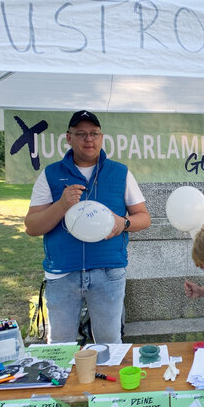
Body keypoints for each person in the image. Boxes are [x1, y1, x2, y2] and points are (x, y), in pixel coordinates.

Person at [24, 110, 151, 344]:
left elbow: (144, 217)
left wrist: (124, 223)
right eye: (80, 133)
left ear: (102, 137)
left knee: (110, 344)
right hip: (62, 273)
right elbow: (31, 226)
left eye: (94, 133)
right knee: (61, 346)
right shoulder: (51, 174)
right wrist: (61, 204)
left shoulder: (120, 172)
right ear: (68, 138)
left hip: (108, 272)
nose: (88, 139)